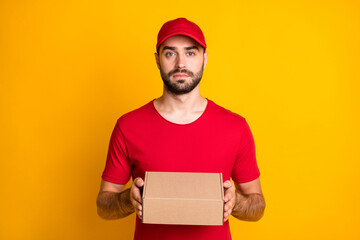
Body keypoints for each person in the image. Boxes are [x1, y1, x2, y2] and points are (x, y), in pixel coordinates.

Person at [96, 17, 265, 240]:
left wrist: (237, 202)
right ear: (157, 60)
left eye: (190, 52)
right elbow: (104, 205)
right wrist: (129, 199)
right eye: (170, 53)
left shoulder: (235, 127)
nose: (181, 64)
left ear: (205, 58)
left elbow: (257, 206)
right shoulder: (128, 126)